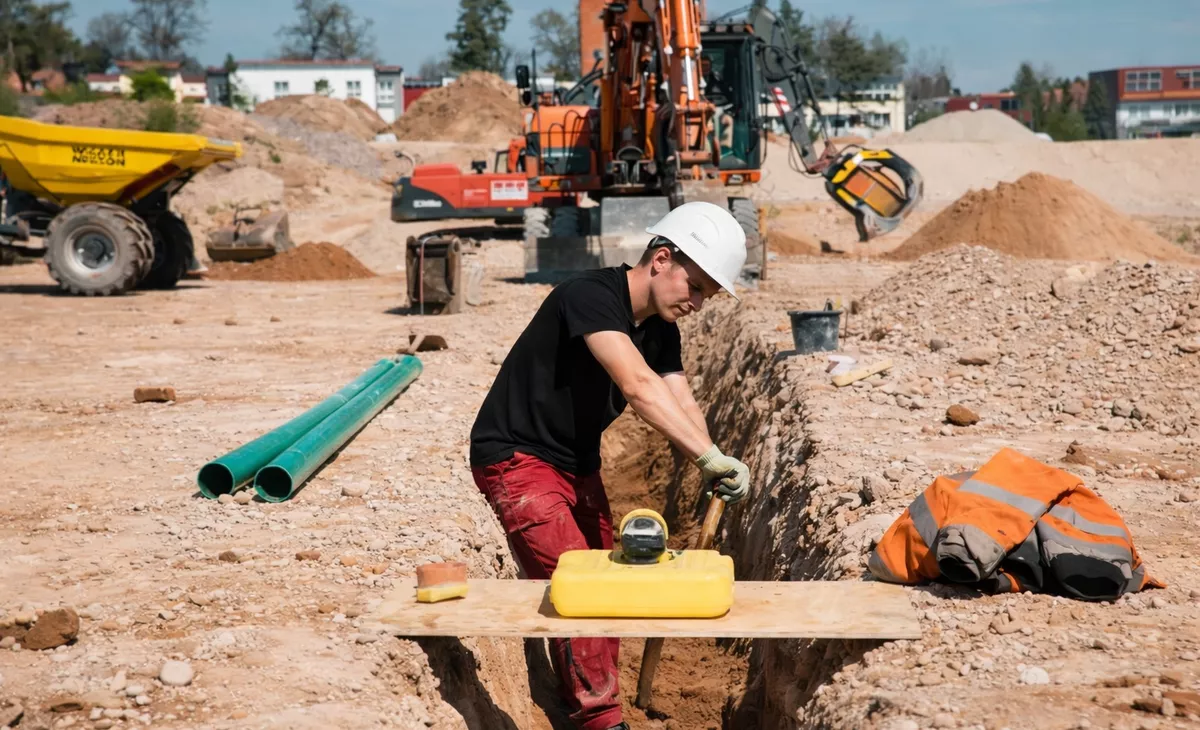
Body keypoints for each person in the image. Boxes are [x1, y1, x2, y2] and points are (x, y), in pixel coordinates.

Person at [469, 201, 754, 730]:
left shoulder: (660, 327)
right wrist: (707, 457)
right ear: (662, 258)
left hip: (576, 462)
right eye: (694, 287)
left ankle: (588, 690)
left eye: (707, 296)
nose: (697, 303)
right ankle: (600, 718)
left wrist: (717, 460)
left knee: (611, 578)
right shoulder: (590, 296)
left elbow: (679, 398)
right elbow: (639, 387)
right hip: (516, 457)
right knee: (580, 586)